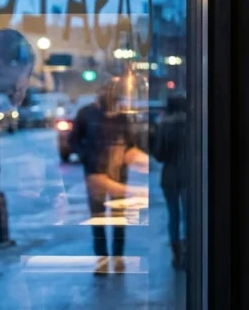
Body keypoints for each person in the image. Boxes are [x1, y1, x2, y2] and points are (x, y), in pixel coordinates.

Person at [69, 79, 150, 275]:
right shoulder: (87, 114)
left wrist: (127, 156)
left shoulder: (121, 116)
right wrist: (86, 156)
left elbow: (132, 142)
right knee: (98, 219)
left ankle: (117, 258)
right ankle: (103, 259)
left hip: (116, 173)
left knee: (117, 219)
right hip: (96, 173)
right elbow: (73, 140)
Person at [155, 95, 187, 268]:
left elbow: (159, 155)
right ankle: (189, 251)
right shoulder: (193, 125)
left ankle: (177, 256)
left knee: (173, 217)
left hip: (169, 177)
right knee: (189, 217)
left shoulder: (164, 126)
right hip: (189, 177)